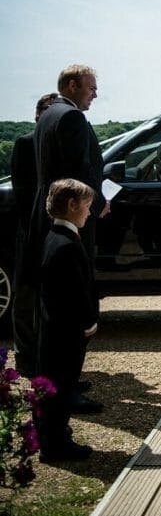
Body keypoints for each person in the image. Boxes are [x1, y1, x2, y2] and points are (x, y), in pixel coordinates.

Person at [22, 66, 107, 404]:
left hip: (48, 220)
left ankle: (58, 382)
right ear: (73, 86)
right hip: (66, 219)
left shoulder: (48, 116)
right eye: (91, 87)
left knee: (53, 309)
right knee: (71, 308)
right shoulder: (70, 118)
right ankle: (64, 388)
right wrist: (96, 203)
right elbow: (77, 171)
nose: (95, 94)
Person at [36, 178, 99, 463]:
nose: (89, 212)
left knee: (58, 387)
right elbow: (75, 292)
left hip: (55, 331)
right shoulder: (67, 245)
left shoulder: (55, 237)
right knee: (60, 388)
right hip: (66, 332)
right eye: (86, 206)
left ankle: (54, 437)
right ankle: (56, 445)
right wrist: (88, 322)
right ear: (72, 206)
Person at [11, 92, 59, 376]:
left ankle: (46, 361)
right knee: (26, 299)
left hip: (50, 231)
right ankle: (26, 361)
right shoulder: (25, 143)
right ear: (38, 114)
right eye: (46, 111)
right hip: (30, 232)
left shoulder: (55, 144)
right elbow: (23, 193)